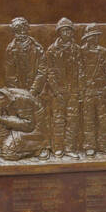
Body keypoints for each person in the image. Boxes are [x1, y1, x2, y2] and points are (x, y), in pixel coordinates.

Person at [39, 17, 82, 157]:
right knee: (58, 120)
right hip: (58, 92)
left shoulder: (76, 49)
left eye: (69, 31)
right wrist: (56, 90)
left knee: (73, 120)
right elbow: (49, 72)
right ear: (59, 32)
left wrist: (78, 89)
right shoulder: (51, 50)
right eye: (64, 31)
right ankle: (58, 147)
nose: (67, 33)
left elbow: (81, 71)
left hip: (73, 91)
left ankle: (70, 148)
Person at [78, 24, 106, 156]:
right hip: (88, 91)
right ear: (87, 38)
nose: (94, 39)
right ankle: (89, 145)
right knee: (89, 120)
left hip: (102, 91)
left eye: (96, 36)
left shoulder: (104, 52)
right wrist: (82, 85)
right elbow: (78, 71)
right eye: (92, 36)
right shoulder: (81, 52)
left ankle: (105, 144)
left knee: (104, 119)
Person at [0, 87, 49, 160]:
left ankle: (38, 150)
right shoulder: (5, 97)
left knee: (8, 152)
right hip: (16, 125)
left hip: (33, 130)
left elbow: (29, 125)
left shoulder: (22, 100)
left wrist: (2, 120)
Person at [3, 16, 43, 91]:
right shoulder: (10, 49)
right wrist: (17, 91)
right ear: (14, 31)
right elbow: (9, 73)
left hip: (35, 90)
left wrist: (34, 90)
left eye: (23, 29)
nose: (22, 32)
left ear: (27, 29)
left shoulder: (37, 48)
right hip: (17, 90)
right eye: (18, 30)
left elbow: (42, 71)